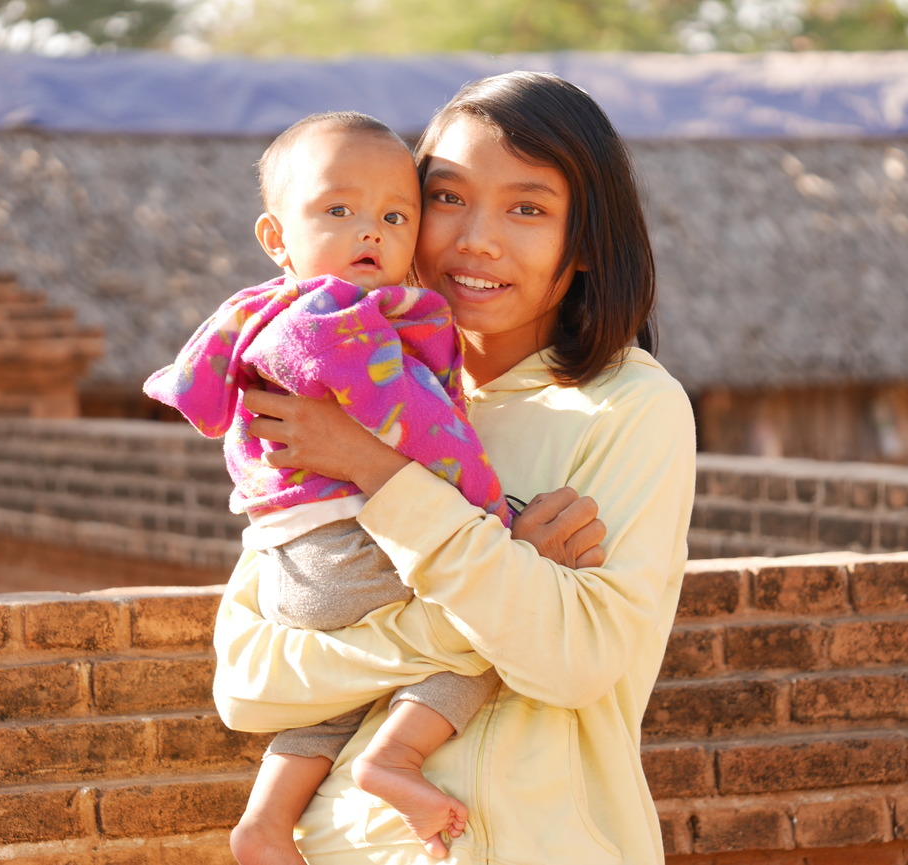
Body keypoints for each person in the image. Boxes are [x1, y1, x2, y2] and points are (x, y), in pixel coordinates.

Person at [214, 70, 697, 864]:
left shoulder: (629, 408)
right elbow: (250, 682)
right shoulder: (347, 387)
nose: (476, 237)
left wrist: (376, 470)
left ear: (583, 244)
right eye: (447, 198)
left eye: (528, 208)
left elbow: (569, 659)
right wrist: (502, 580)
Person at [143, 110, 606, 865]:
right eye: (339, 212)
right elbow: (425, 431)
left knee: (331, 696)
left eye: (396, 216)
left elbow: (203, 385)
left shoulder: (262, 308)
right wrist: (488, 518)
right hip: (351, 545)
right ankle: (393, 757)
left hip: (295, 558)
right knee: (492, 628)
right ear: (276, 235)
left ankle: (265, 821)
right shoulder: (340, 323)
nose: (372, 233)